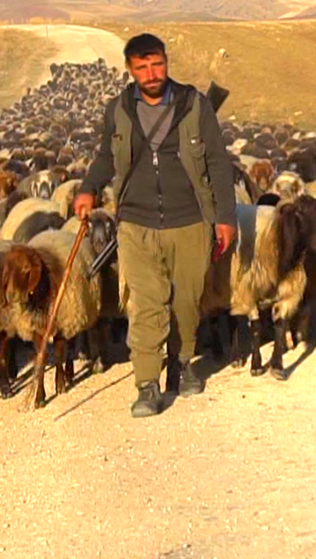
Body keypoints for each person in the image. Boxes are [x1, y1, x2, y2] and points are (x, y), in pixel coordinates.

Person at [74, 33, 237, 418]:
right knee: (146, 303)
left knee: (186, 302)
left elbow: (217, 162)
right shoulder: (119, 110)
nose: (151, 74)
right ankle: (147, 384)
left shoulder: (194, 105)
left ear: (166, 62)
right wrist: (88, 188)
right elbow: (106, 156)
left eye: (157, 64)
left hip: (190, 219)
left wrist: (226, 218)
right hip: (136, 221)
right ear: (130, 69)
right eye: (142, 67)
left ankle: (182, 362)